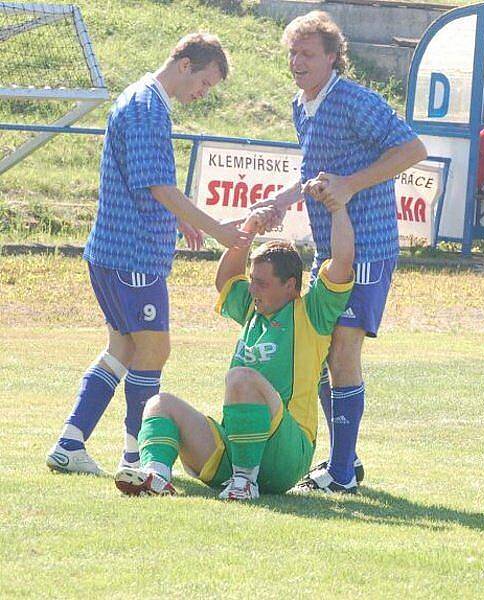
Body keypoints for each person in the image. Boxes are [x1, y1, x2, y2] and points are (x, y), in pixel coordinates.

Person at [46, 34, 253, 476]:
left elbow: (145, 182)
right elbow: (158, 185)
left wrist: (180, 219)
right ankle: (136, 457)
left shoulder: (142, 101)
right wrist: (218, 229)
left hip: (114, 253)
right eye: (205, 82)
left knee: (122, 348)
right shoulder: (146, 107)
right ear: (184, 65)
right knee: (154, 350)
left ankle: (70, 441)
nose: (203, 93)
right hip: (132, 257)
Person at [252, 11, 427, 493]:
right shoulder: (300, 105)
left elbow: (412, 150)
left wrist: (351, 185)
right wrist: (279, 201)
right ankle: (342, 460)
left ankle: (344, 471)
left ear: (333, 57)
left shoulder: (354, 100)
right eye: (292, 53)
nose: (297, 62)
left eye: (307, 54)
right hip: (331, 250)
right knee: (324, 350)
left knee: (342, 350)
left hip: (367, 246)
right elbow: (315, 174)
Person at [114, 195, 355, 500]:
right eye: (252, 280)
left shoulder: (312, 314)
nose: (251, 289)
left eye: (262, 283)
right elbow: (227, 278)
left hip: (286, 456)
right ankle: (155, 476)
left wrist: (337, 207)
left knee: (241, 378)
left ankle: (245, 481)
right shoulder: (253, 308)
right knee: (159, 404)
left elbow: (343, 261)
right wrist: (251, 226)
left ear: (291, 286)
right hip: (235, 447)